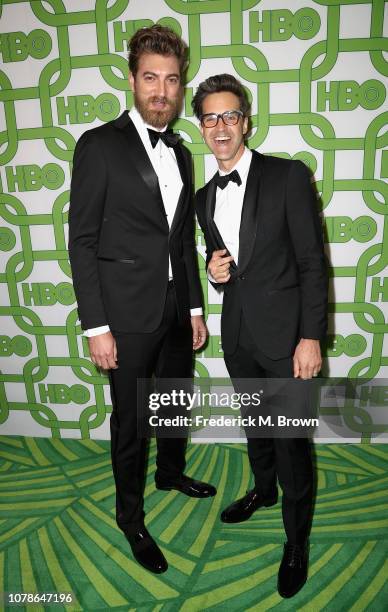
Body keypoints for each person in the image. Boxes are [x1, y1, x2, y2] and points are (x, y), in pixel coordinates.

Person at [68, 25, 216, 575]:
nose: (162, 91)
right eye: (150, 78)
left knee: (175, 400)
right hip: (124, 317)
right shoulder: (99, 145)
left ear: (181, 87)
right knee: (129, 423)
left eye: (172, 80)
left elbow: (181, 239)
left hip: (176, 310)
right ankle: (130, 517)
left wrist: (196, 309)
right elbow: (81, 241)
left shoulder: (181, 153)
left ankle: (171, 473)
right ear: (132, 80)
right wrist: (95, 326)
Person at [192, 74, 327, 598]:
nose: (220, 126)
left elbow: (313, 265)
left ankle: (297, 542)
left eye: (230, 116)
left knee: (292, 441)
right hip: (240, 336)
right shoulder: (205, 199)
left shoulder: (289, 176)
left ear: (246, 121)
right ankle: (263, 492)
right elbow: (225, 262)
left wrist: (310, 337)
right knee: (256, 425)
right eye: (210, 117)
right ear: (201, 126)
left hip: (289, 338)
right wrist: (213, 272)